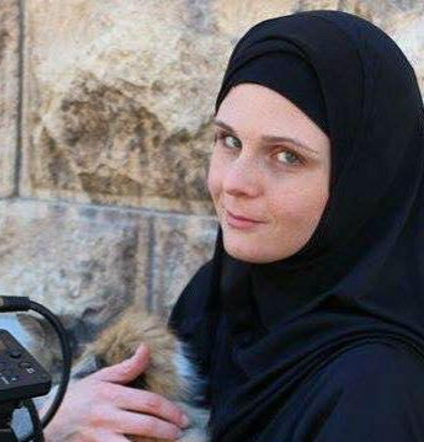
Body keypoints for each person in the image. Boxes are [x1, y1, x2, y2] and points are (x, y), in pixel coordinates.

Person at [43, 10, 424, 441]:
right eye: (229, 140)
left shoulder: (376, 391)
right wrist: (52, 420)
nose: (234, 183)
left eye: (287, 156)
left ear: (363, 183)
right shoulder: (220, 297)